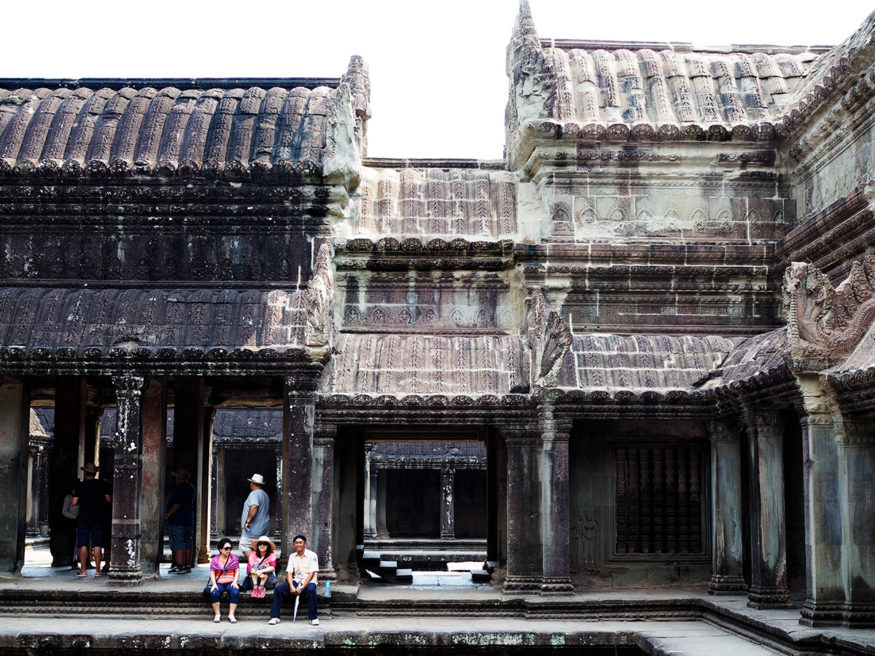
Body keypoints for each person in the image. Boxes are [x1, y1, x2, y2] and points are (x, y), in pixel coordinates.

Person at [268, 534, 319, 626]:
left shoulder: (312, 555)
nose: (298, 545)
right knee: (279, 589)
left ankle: (313, 618)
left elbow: (312, 574)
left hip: (309, 581)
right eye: (296, 543)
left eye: (300, 542)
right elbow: (289, 572)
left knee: (311, 590)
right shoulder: (292, 556)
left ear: (305, 544)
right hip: (296, 580)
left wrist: (302, 587)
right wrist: (291, 586)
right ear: (294, 544)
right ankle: (275, 617)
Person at [71, 463, 111, 578]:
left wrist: (82, 500)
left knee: (83, 543)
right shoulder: (101, 485)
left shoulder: (81, 485)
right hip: (98, 517)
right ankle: (98, 570)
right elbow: (108, 499)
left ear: (85, 473)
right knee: (97, 544)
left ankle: (83, 570)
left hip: (84, 517)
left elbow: (74, 502)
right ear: (95, 473)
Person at [164, 468, 195, 574]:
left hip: (178, 520)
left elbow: (177, 504)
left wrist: (168, 514)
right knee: (187, 542)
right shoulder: (191, 488)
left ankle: (180, 565)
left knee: (179, 543)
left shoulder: (180, 489)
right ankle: (186, 565)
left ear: (179, 478)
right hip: (188, 519)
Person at [208, 537, 240, 623]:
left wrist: (235, 582)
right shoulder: (215, 560)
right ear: (220, 549)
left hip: (230, 581)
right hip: (219, 582)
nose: (228, 550)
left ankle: (231, 615)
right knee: (214, 592)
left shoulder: (234, 559)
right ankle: (217, 614)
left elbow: (237, 571)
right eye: (226, 548)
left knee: (235, 592)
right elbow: (212, 573)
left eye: (230, 548)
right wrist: (214, 584)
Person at [240, 473, 270, 560]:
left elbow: (254, 507)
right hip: (264, 528)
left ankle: (257, 565)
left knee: (244, 545)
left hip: (253, 529)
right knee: (259, 548)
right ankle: (260, 565)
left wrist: (247, 521)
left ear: (252, 484)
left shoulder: (254, 494)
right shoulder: (265, 495)